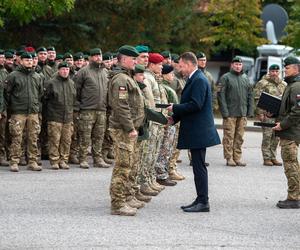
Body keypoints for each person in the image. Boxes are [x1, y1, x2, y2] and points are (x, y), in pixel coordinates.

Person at [167, 52, 220, 212]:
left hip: (199, 131)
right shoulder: (195, 78)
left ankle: (203, 202)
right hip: (197, 130)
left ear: (190, 64)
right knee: (198, 166)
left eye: (182, 66)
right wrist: (174, 118)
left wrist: (174, 108)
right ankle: (200, 199)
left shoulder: (198, 79)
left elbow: (195, 105)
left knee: (199, 167)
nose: (180, 69)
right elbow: (190, 104)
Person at [109, 45, 145, 216]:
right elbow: (121, 106)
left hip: (129, 129)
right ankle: (117, 204)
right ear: (124, 59)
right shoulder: (121, 80)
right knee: (122, 166)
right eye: (133, 59)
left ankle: (127, 196)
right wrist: (130, 127)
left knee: (129, 164)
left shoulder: (127, 77)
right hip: (123, 129)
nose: (136, 62)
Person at [4, 52, 43, 172]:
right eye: (26, 60)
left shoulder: (37, 76)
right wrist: (11, 107)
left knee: (33, 137)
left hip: (33, 112)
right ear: (21, 61)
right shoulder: (13, 76)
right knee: (16, 137)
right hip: (18, 112)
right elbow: (7, 93)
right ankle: (14, 161)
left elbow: (40, 93)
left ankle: (32, 161)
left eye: (31, 60)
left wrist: (35, 106)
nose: (29, 62)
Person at [74, 48, 110, 169]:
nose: (98, 58)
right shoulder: (83, 72)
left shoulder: (105, 72)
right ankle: (83, 158)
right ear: (90, 58)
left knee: (99, 135)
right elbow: (76, 90)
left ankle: (97, 158)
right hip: (87, 109)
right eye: (94, 56)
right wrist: (81, 104)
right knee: (85, 135)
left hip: (102, 109)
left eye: (99, 55)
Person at [273, 56, 300, 209]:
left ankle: (294, 197)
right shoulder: (291, 85)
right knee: (292, 164)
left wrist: (282, 125)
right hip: (288, 131)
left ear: (296, 68)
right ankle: (296, 194)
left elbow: (297, 112)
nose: (284, 70)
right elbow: (288, 108)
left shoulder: (296, 86)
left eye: (287, 67)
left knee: (291, 165)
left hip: (290, 133)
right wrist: (274, 114)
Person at [217, 56, 254, 167]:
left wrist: (250, 111)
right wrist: (225, 113)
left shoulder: (245, 78)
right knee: (229, 136)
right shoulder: (225, 78)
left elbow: (250, 95)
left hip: (242, 113)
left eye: (240, 64)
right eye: (236, 64)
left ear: (242, 66)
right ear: (232, 65)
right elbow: (221, 96)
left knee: (239, 137)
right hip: (230, 113)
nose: (238, 66)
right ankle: (229, 158)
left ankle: (237, 158)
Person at [44, 62, 76, 170]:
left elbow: (74, 99)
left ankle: (63, 160)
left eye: (67, 69)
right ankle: (54, 160)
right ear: (58, 70)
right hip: (55, 117)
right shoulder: (51, 83)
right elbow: (45, 99)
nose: (65, 71)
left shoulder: (71, 83)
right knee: (54, 140)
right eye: (62, 69)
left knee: (66, 140)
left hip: (68, 117)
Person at [254, 64, 286, 166]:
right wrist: (260, 113)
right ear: (269, 71)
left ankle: (273, 157)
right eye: (272, 71)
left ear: (279, 72)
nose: (275, 73)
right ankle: (266, 158)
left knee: (276, 137)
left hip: (279, 115)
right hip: (267, 114)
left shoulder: (283, 84)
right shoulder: (262, 83)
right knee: (267, 136)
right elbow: (257, 99)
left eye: (277, 72)